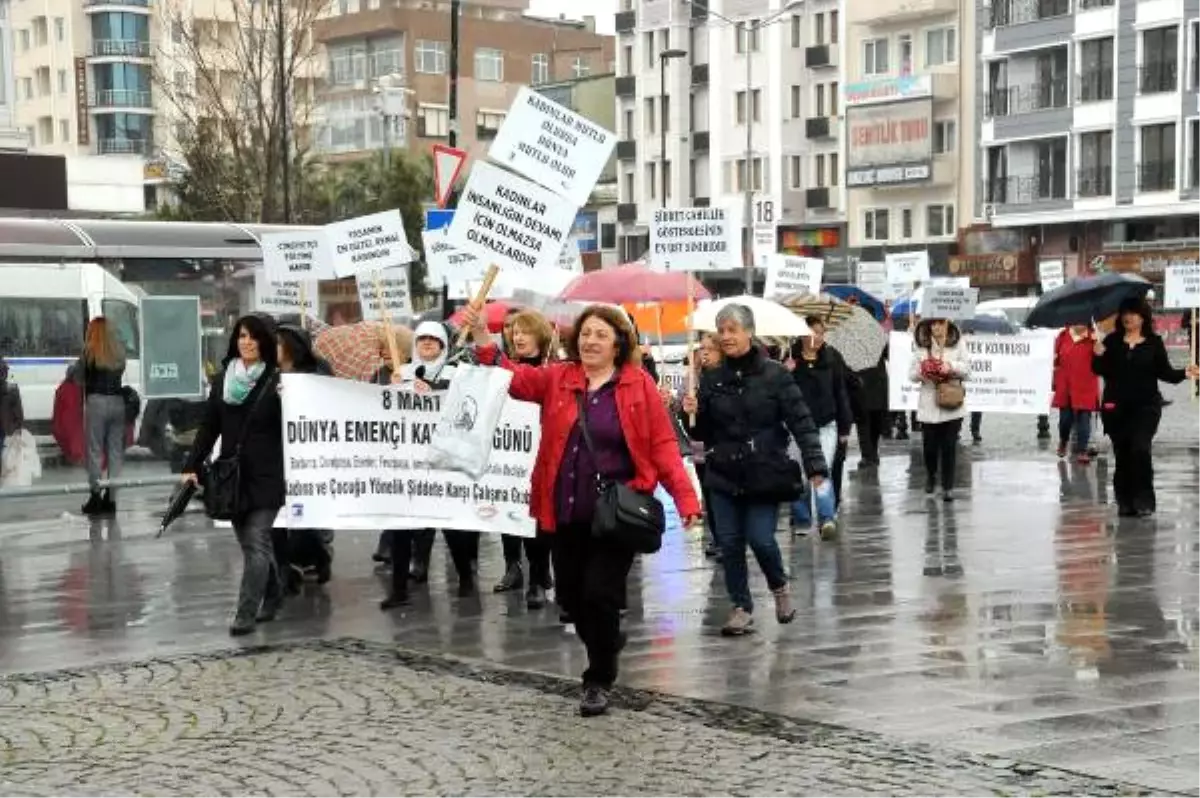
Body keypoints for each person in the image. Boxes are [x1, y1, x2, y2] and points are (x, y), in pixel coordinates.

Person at [466, 302, 700, 718]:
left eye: (601, 335)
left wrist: (686, 501)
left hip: (615, 513)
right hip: (565, 509)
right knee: (572, 597)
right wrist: (484, 339)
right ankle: (607, 638)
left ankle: (598, 678)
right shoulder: (559, 377)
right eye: (586, 333)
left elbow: (663, 445)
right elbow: (514, 378)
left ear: (618, 344)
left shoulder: (637, 385)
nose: (591, 340)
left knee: (599, 594)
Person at [681, 305, 828, 638]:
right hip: (723, 473)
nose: (726, 336)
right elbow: (700, 434)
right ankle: (741, 607)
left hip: (765, 471)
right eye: (722, 330)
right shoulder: (711, 377)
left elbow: (801, 422)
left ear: (749, 332)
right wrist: (690, 411)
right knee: (729, 543)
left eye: (733, 329)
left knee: (761, 540)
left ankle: (779, 587)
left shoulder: (774, 374)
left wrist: (815, 464)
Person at [182, 315, 285, 636]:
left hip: (267, 475)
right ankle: (274, 591)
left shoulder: (279, 380)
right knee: (251, 545)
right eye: (242, 336)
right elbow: (210, 427)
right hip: (233, 476)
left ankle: (245, 612)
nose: (247, 342)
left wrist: (292, 396)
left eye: (254, 337)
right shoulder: (223, 380)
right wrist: (192, 465)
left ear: (265, 341)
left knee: (256, 541)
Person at [380, 321, 480, 609]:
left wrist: (435, 387)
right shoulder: (402, 372)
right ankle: (398, 589)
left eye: (432, 339)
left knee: (451, 528)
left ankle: (465, 578)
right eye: (421, 338)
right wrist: (393, 388)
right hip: (408, 462)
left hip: (443, 461)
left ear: (442, 345)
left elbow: (464, 402)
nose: (426, 343)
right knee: (401, 527)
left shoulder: (455, 373)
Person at [1093, 298, 1199, 517]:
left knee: (1140, 448)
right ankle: (1124, 500)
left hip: (1146, 407)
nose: (1128, 317)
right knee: (1122, 454)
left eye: (1133, 313)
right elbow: (1102, 371)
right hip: (1116, 408)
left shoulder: (1153, 343)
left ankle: (1144, 499)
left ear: (1143, 317)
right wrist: (1098, 354)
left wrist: (1185, 373)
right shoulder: (1111, 341)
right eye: (1125, 313)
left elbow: (1165, 372)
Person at [493, 309, 557, 609]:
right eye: (514, 331)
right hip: (508, 453)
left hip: (540, 454)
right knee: (509, 511)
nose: (517, 336)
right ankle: (512, 567)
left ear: (540, 336)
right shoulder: (504, 368)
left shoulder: (553, 369)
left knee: (537, 520)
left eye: (524, 331)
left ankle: (538, 575)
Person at [274, 324, 335, 589]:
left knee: (302, 514)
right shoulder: (268, 373)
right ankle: (287, 569)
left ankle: (317, 556)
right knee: (278, 517)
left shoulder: (317, 371)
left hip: (308, 454)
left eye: (277, 343)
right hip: (276, 452)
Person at [787, 317, 851, 539]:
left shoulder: (832, 359)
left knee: (821, 471)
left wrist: (845, 427)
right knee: (800, 475)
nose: (816, 337)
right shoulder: (790, 360)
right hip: (797, 427)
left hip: (826, 425)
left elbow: (841, 394)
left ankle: (827, 518)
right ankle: (802, 519)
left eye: (820, 333)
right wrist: (786, 372)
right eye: (811, 332)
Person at [910, 317, 971, 502]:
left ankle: (947, 487)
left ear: (947, 324)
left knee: (949, 447)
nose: (936, 327)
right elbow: (911, 374)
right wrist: (924, 370)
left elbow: (968, 370)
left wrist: (950, 367)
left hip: (952, 404)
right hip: (929, 404)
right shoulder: (921, 344)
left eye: (940, 323)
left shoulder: (958, 343)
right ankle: (931, 475)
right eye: (933, 324)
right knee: (929, 448)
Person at [79, 318, 127, 517]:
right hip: (117, 402)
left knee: (95, 450)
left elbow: (79, 375)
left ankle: (95, 497)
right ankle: (112, 499)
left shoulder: (89, 352)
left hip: (96, 402)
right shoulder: (119, 352)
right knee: (115, 452)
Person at [1053, 324, 1101, 465]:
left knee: (1084, 417)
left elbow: (1101, 362)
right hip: (1066, 384)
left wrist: (1099, 350)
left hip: (1086, 384)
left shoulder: (1093, 337)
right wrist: (1054, 380)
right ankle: (1063, 440)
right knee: (1065, 420)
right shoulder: (1063, 336)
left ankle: (1082, 450)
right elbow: (1055, 360)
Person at [853, 346, 889, 469]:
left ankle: (872, 453)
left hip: (876, 383)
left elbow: (890, 354)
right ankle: (868, 455)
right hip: (861, 383)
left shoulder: (880, 338)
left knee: (874, 422)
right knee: (863, 422)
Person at [0, 356, 24, 458]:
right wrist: (18, 426)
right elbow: (18, 412)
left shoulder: (12, 390)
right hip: (6, 428)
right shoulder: (12, 389)